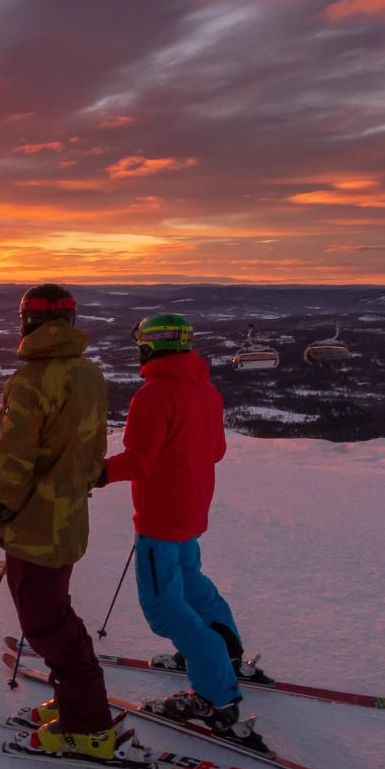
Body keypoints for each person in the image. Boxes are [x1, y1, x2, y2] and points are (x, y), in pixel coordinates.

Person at [0, 284, 148, 765]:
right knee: (57, 612)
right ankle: (76, 703)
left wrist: (1, 503)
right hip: (70, 518)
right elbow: (94, 453)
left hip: (35, 526)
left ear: (26, 322)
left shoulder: (30, 380)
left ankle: (87, 726)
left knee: (44, 623)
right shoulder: (89, 374)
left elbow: (15, 456)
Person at [95, 313, 263, 745]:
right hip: (192, 509)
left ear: (149, 346)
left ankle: (215, 696)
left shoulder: (153, 395)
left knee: (164, 606)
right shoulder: (205, 391)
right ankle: (225, 653)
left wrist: (93, 474)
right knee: (190, 582)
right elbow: (217, 451)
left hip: (160, 517)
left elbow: (138, 461)